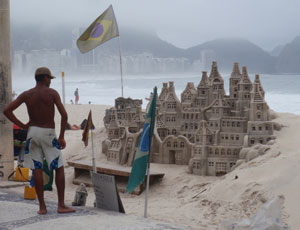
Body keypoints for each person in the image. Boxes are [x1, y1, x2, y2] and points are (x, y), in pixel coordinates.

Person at [3, 67, 75, 215]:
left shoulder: (27, 94)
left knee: (37, 168)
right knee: (59, 167)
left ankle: (42, 207)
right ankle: (61, 205)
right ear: (44, 78)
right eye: (49, 78)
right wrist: (61, 136)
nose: (50, 81)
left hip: (32, 133)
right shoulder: (52, 93)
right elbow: (64, 115)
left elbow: (7, 110)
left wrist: (23, 125)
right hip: (48, 133)